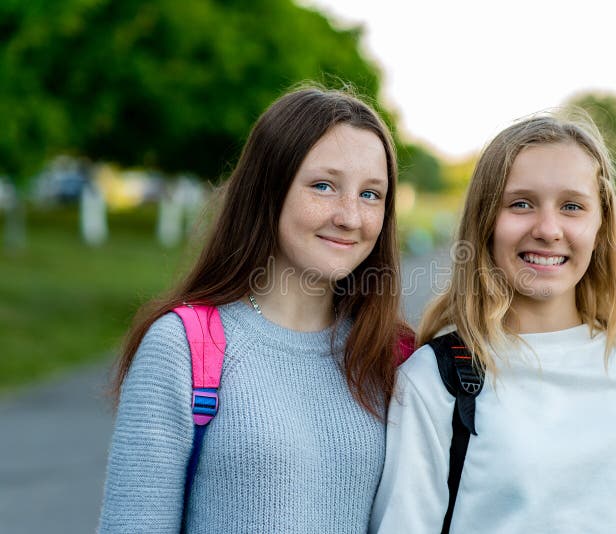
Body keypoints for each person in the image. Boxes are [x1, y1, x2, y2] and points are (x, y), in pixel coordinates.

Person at [370, 112, 616, 533]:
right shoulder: (435, 381)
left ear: (600, 224)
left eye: (572, 206)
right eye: (521, 204)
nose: (548, 229)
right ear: (485, 223)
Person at [98, 86, 412, 533]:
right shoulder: (182, 348)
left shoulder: (393, 356)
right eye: (324, 186)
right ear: (269, 189)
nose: (350, 217)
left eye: (371, 195)